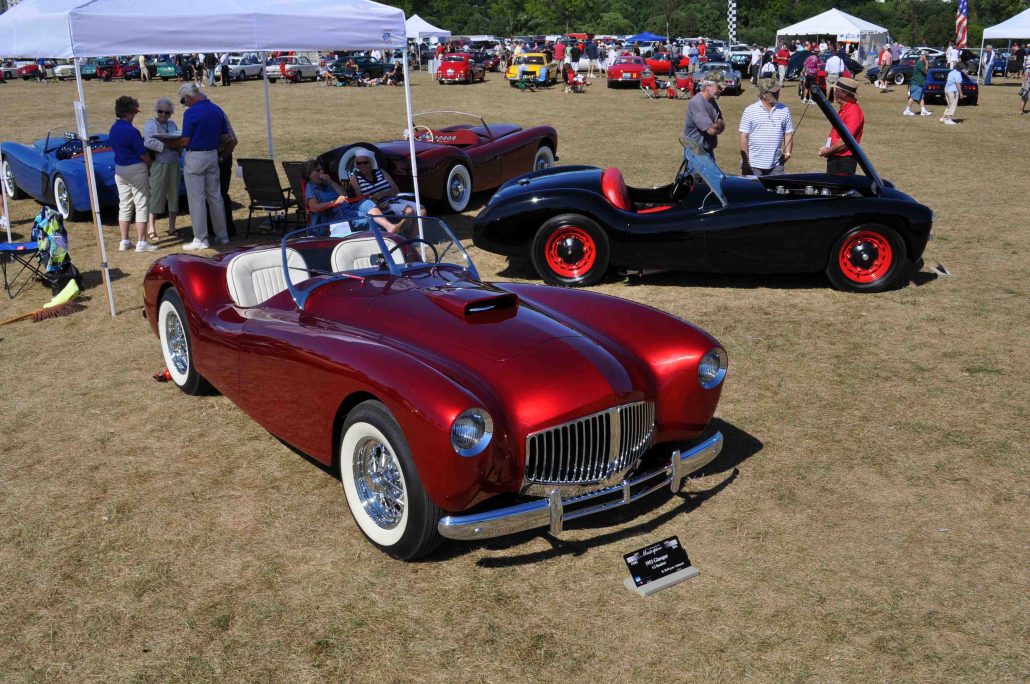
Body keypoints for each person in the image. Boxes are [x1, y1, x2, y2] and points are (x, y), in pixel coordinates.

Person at [166, 83, 231, 250]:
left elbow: (185, 140)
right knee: (215, 197)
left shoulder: (191, 113)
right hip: (212, 154)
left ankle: (201, 238)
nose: (185, 104)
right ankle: (222, 235)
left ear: (188, 96)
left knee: (197, 199)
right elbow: (225, 136)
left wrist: (170, 143)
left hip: (195, 156)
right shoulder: (216, 109)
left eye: (184, 100)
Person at [303, 159, 404, 233]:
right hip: (333, 216)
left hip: (346, 207)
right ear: (309, 175)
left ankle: (390, 227)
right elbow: (314, 207)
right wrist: (334, 202)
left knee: (367, 203)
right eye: (318, 170)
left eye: (322, 169)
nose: (321, 172)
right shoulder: (311, 187)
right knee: (368, 220)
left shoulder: (327, 182)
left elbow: (344, 195)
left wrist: (331, 182)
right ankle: (384, 241)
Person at [109, 96, 156, 252]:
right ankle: (142, 242)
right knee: (141, 204)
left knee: (124, 205)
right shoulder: (131, 131)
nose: (135, 115)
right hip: (136, 168)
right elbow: (143, 153)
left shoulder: (113, 128)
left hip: (120, 169)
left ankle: (124, 240)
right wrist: (149, 166)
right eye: (134, 112)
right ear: (128, 112)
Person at [739, 78, 793, 176]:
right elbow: (744, 137)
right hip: (753, 165)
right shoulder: (749, 110)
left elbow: (788, 133)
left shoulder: (784, 109)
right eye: (773, 92)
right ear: (763, 94)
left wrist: (788, 153)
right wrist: (746, 162)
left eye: (778, 91)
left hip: (777, 165)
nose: (777, 94)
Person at [143, 97, 181, 239]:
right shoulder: (151, 124)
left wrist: (173, 143)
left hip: (174, 163)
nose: (163, 115)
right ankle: (151, 228)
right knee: (156, 195)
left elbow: (179, 139)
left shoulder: (172, 124)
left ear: (171, 113)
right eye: (160, 111)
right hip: (158, 164)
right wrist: (167, 144)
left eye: (167, 112)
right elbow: (149, 142)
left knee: (173, 195)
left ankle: (172, 227)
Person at [348, 154, 426, 218]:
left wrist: (382, 194)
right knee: (409, 211)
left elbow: (396, 190)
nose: (362, 165)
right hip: (376, 206)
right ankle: (399, 231)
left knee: (422, 210)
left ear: (371, 162)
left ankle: (410, 232)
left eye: (365, 162)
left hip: (393, 200)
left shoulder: (381, 172)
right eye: (359, 163)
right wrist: (376, 204)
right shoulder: (355, 178)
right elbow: (361, 200)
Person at [818, 77, 864, 175]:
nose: (834, 92)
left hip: (844, 160)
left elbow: (844, 142)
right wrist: (827, 147)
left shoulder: (853, 112)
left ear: (844, 93)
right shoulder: (844, 109)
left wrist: (827, 152)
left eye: (836, 90)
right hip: (836, 157)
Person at [683, 71, 725, 160]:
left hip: (707, 151)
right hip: (696, 152)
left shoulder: (712, 101)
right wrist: (718, 125)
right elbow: (712, 130)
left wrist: (718, 125)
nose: (722, 90)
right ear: (708, 86)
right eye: (719, 87)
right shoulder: (697, 102)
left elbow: (722, 124)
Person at [904, 52, 932, 116]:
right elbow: (925, 71)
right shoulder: (919, 63)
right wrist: (927, 63)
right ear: (922, 56)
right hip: (916, 83)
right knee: (913, 97)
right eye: (926, 56)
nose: (927, 58)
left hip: (920, 83)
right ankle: (907, 110)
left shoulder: (921, 63)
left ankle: (923, 110)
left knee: (921, 97)